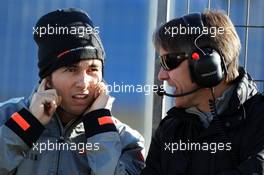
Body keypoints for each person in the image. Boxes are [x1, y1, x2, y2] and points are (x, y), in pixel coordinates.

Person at [0, 8, 144, 175]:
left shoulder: (126, 139)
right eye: (71, 69)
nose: (83, 83)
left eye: (93, 69)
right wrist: (27, 125)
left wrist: (99, 128)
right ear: (48, 78)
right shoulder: (5, 117)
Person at [142, 10, 264, 175]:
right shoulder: (169, 130)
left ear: (207, 65)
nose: (161, 75)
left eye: (169, 61)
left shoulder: (259, 118)